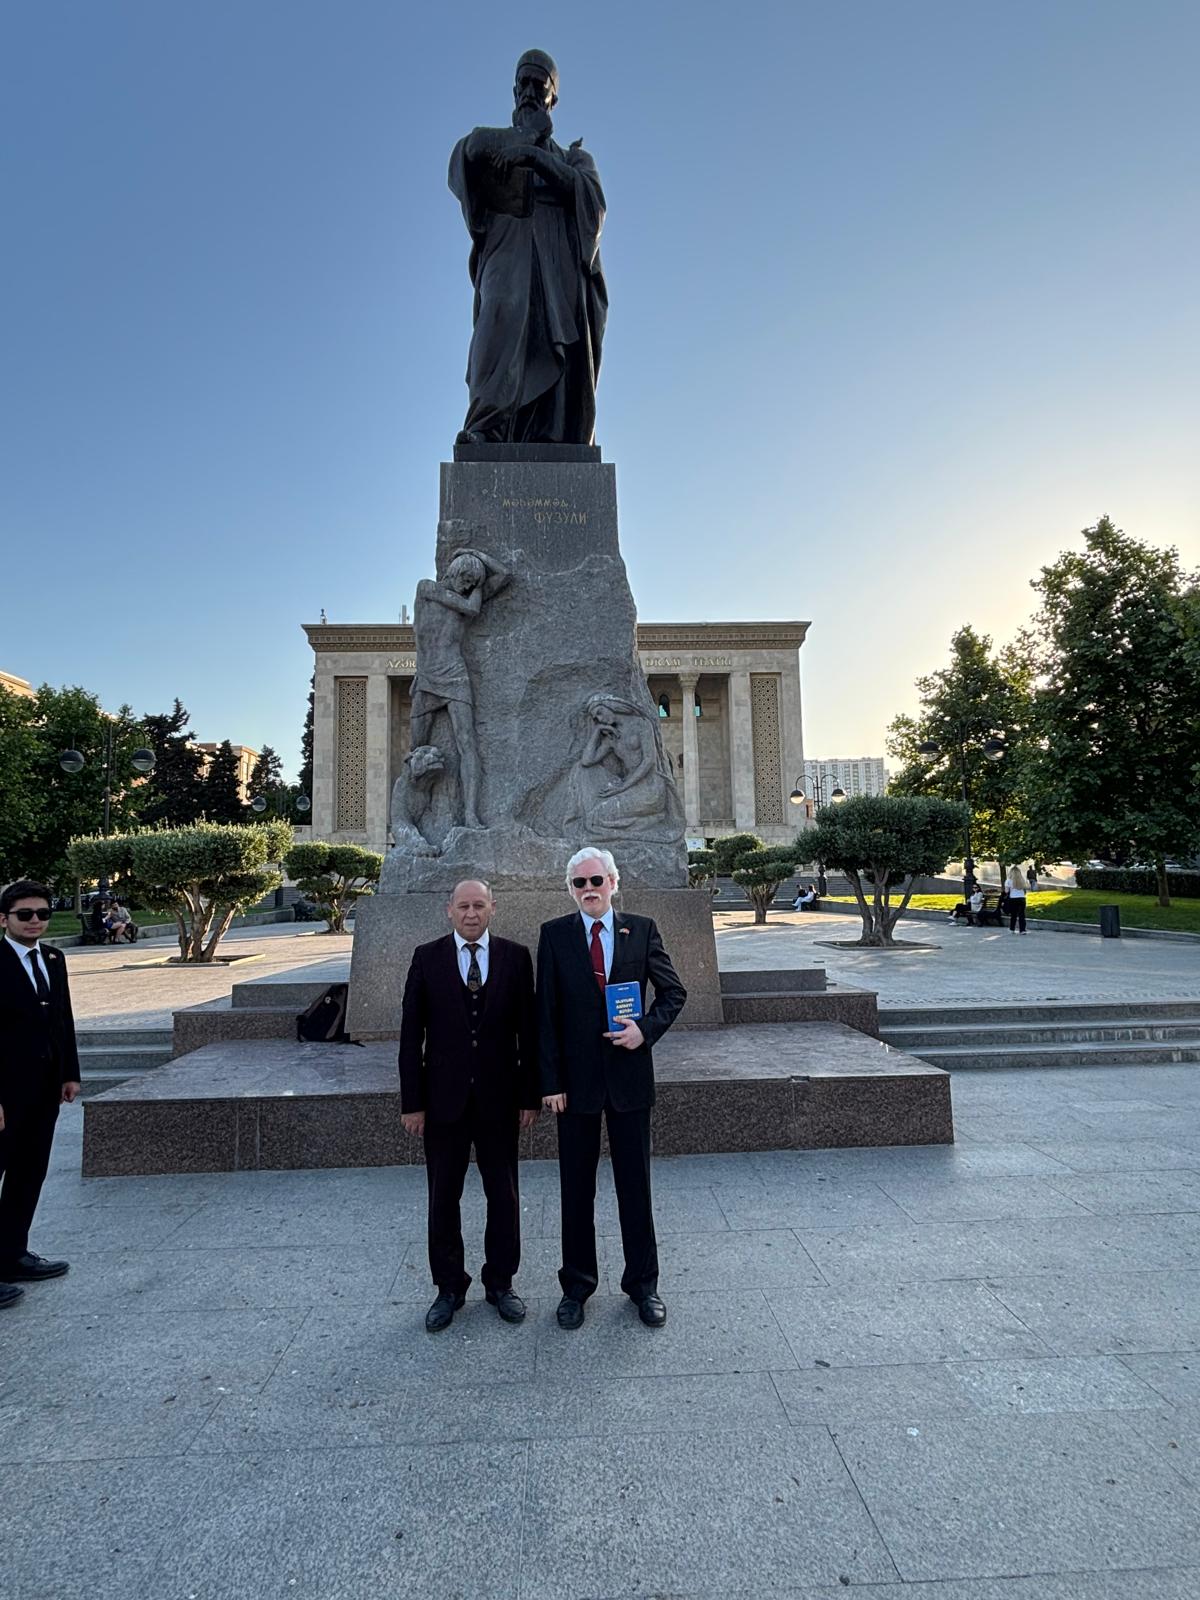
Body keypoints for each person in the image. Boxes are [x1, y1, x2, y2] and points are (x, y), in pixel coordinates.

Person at [537, 847, 686, 1330]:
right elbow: (546, 1015)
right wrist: (550, 1082)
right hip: (575, 1087)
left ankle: (643, 1286)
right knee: (576, 1191)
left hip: (628, 1082)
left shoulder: (640, 930)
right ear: (570, 890)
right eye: (579, 883)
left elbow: (674, 992)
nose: (589, 890)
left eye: (596, 880)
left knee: (635, 1189)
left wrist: (645, 1030)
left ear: (614, 882)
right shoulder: (554, 935)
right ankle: (576, 1287)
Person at [398, 879, 539, 1332]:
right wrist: (413, 1103)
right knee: (443, 1197)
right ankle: (448, 1287)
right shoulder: (427, 958)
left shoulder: (516, 957)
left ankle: (501, 1283)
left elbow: (529, 1033)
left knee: (504, 1195)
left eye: (479, 905)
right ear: (449, 910)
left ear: (492, 908)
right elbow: (410, 1035)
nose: (471, 913)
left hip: (500, 1102)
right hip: (443, 1104)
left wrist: (529, 1096)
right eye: (464, 906)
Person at [449, 49, 607, 446]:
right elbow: (465, 155)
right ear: (514, 89)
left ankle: (554, 436)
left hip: (558, 266)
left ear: (554, 97)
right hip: (508, 253)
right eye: (524, 83)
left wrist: (535, 157)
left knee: (559, 343)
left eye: (541, 86)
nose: (531, 92)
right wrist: (524, 138)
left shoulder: (575, 157)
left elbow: (593, 203)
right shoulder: (494, 143)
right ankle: (487, 429)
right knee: (500, 318)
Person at [0, 879, 82, 1307]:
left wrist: (69, 1073)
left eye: (43, 914)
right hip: (4, 1091)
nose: (35, 921)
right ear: (4, 919)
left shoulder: (53, 958)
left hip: (44, 1087)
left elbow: (62, 1019)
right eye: (25, 914)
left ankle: (12, 1255)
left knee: (28, 1173)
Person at [1006, 865, 1029, 933]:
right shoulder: (1022, 880)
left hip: (1013, 898)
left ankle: (1012, 929)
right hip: (1022, 898)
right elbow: (1025, 891)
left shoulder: (1008, 881)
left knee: (1013, 915)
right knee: (1022, 915)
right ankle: (1022, 930)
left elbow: (1006, 891)